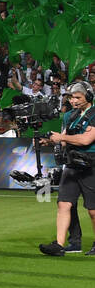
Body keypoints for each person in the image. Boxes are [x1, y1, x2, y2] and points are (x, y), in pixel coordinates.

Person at [38, 81, 95, 256]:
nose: (73, 101)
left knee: (93, 210)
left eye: (78, 97)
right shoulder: (68, 115)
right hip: (72, 164)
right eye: (71, 97)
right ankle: (60, 245)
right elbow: (65, 140)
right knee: (64, 204)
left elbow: (86, 140)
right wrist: (50, 141)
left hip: (91, 164)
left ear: (89, 96)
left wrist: (62, 137)